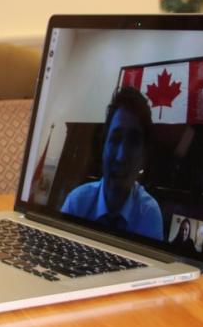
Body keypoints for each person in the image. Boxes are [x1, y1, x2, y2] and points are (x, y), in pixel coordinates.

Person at [60, 86, 164, 240]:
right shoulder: (77, 202)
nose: (121, 156)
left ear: (143, 157)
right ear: (103, 147)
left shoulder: (149, 214)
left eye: (133, 142)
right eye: (115, 139)